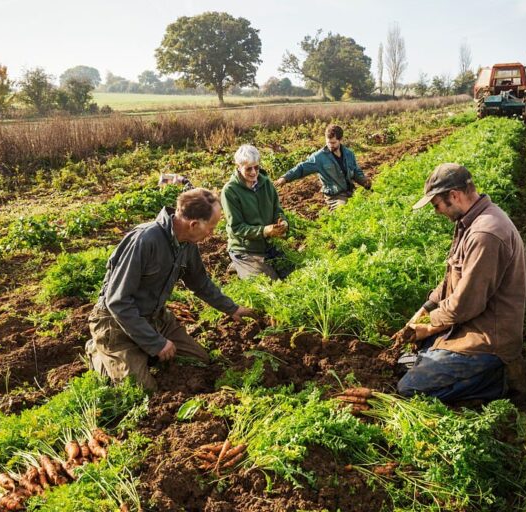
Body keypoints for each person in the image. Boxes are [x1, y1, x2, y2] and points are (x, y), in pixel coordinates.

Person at [86, 188, 256, 390]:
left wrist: (232, 309)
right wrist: (156, 343)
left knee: (200, 360)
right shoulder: (145, 241)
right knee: (143, 391)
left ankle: (141, 353)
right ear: (193, 224)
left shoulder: (187, 243)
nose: (212, 233)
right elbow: (117, 301)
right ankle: (99, 354)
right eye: (211, 227)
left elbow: (200, 283)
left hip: (154, 317)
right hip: (116, 324)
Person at [392, 163, 526, 404]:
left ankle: (496, 381)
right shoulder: (468, 223)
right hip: (467, 325)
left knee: (409, 389)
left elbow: (465, 305)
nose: (436, 212)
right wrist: (424, 310)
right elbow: (450, 279)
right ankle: (443, 358)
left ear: (454, 195)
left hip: (487, 340)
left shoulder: (485, 234)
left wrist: (427, 325)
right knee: (411, 358)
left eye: (437, 205)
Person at [220, 144, 290, 280]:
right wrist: (264, 231)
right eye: (248, 168)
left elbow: (277, 210)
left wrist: (283, 222)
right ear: (238, 167)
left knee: (292, 275)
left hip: (268, 245)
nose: (253, 172)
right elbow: (237, 227)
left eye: (256, 167)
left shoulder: (267, 184)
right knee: (270, 283)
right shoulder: (230, 191)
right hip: (245, 249)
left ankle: (246, 267)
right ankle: (239, 263)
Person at [274, 124, 371, 210]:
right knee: (343, 209)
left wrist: (364, 181)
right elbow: (301, 168)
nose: (330, 145)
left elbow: (355, 171)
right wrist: (285, 178)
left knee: (366, 206)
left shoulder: (349, 154)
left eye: (333, 143)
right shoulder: (319, 157)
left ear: (341, 140)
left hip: (350, 191)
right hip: (334, 196)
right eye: (328, 142)